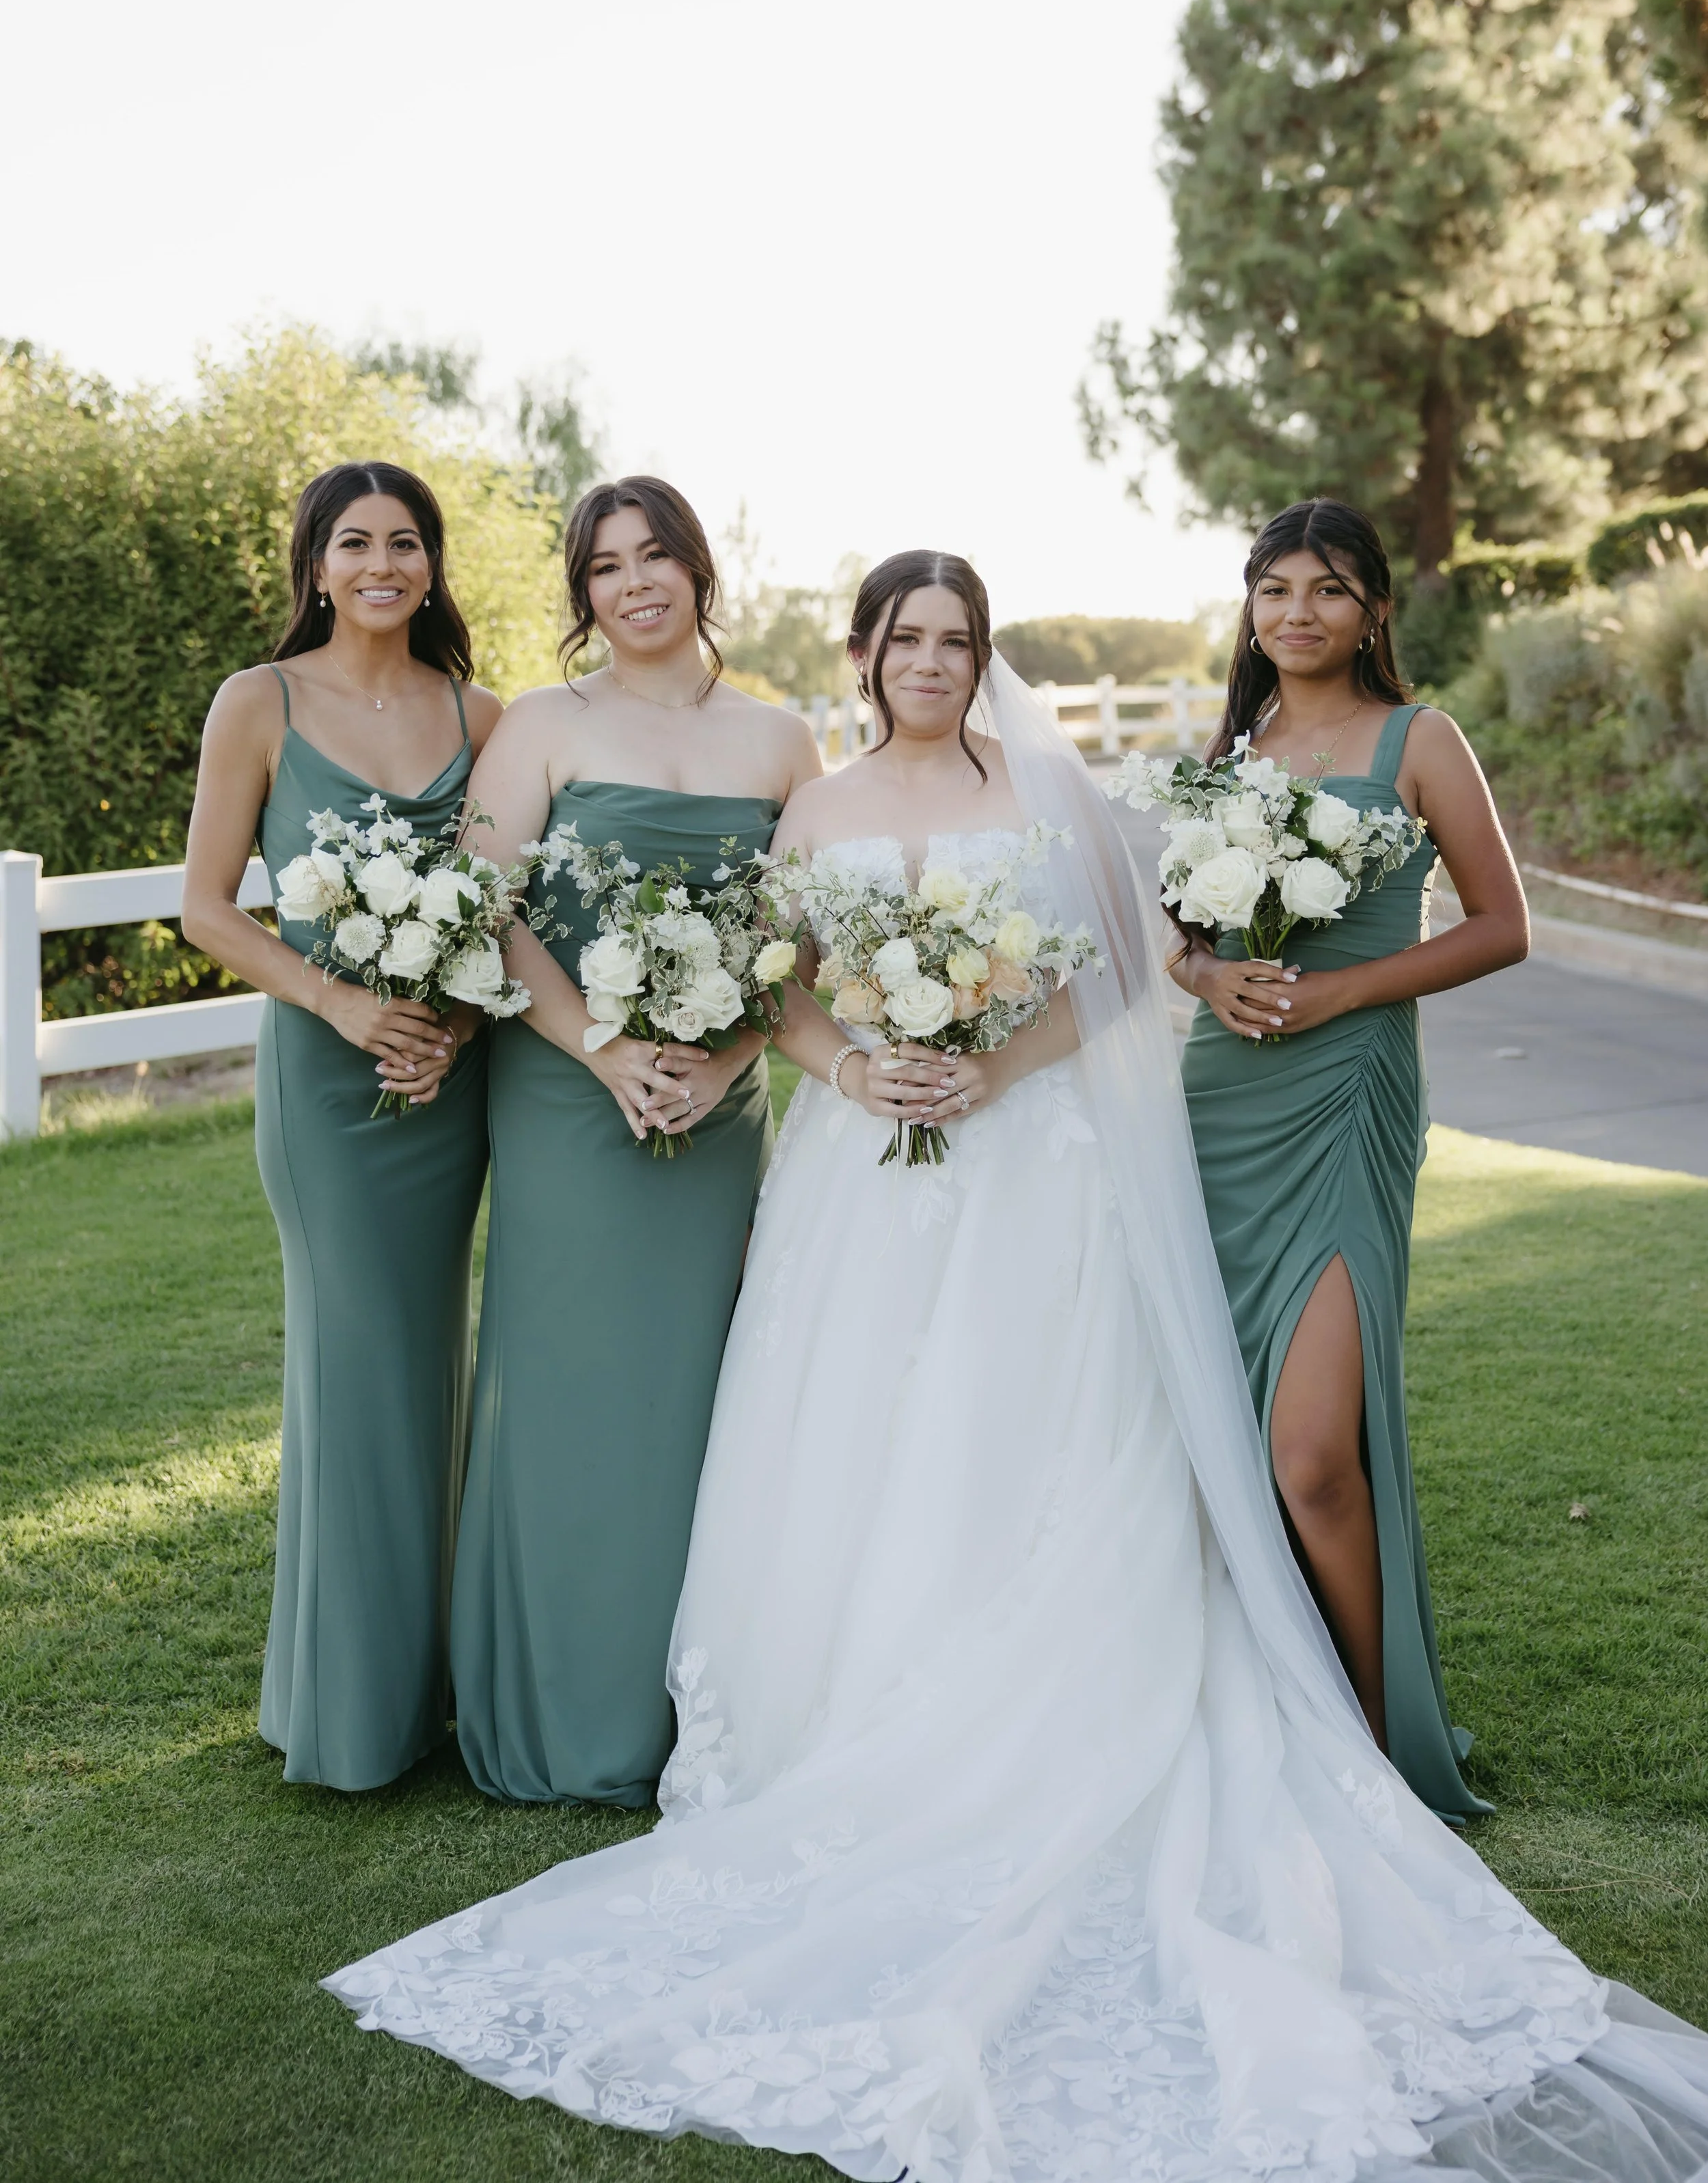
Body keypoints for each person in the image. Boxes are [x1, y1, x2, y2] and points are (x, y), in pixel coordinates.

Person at [326, 547, 1708, 2182]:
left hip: (1034, 1167)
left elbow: (1126, 975)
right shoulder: (817, 810)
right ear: (860, 654)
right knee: (859, 1443)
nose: (928, 659)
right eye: (903, 637)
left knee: (1030, 1435)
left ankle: (1060, 1707)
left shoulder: (1047, 796)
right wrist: (863, 1069)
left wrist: (987, 1072)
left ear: (980, 657)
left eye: (954, 638)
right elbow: (776, 997)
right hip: (861, 1180)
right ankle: (855, 1725)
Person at [446, 476, 820, 1805]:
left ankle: (691, 1712)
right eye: (605, 567)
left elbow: (800, 940)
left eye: (656, 555)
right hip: (561, 1093)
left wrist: (718, 1061)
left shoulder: (781, 743)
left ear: (698, 569)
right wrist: (603, 1051)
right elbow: (488, 914)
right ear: (582, 595)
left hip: (714, 1107)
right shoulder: (542, 723)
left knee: (697, 1392)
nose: (635, 583)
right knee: (562, 1385)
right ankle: (559, 1711)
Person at [1172, 499, 1526, 1820]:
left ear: (1375, 607)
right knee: (1216, 1432)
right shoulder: (1231, 749)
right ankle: (1273, 1702)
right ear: (1250, 607)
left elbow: (1504, 927)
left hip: (1346, 1098)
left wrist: (1345, 991)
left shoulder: (1420, 740)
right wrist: (1211, 981)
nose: (1297, 614)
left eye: (1327, 590)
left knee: (1314, 1451)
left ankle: (1381, 1744)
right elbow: (1180, 938)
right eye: (1274, 590)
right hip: (1220, 1106)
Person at [182, 460, 501, 1790]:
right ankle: (352, 1714)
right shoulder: (260, 703)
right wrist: (344, 1007)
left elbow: (512, 905)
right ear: (314, 563)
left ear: (432, 564)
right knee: (356, 1371)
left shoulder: (482, 713)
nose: (384, 564)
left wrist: (456, 1023)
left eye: (407, 542)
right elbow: (206, 907)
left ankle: (414, 1682)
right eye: (355, 543)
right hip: (327, 1087)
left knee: (431, 1366)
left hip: (454, 1078)